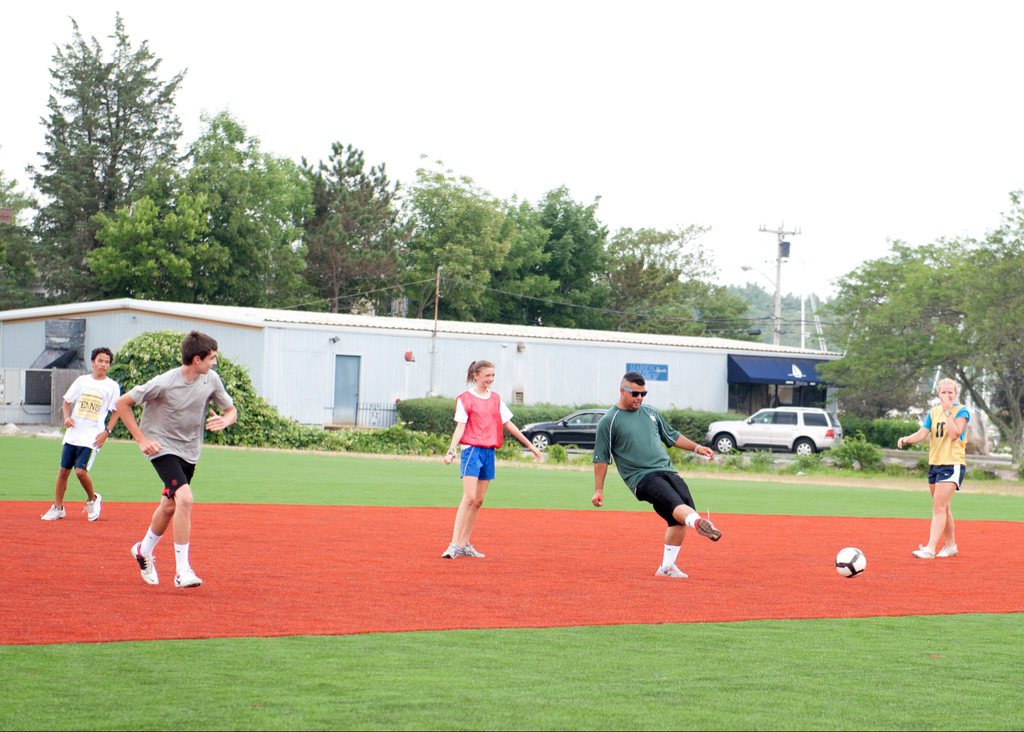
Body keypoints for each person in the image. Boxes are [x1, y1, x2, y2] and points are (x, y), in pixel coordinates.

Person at [115, 331, 236, 588]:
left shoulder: (211, 379)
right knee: (186, 498)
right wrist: (141, 439)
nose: (215, 362)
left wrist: (226, 420)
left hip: (189, 451)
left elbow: (230, 410)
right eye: (212, 358)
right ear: (196, 359)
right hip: (161, 447)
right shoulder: (164, 382)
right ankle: (182, 571)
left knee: (170, 506)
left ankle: (143, 550)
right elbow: (122, 403)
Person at [591, 371, 722, 578]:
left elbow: (671, 436)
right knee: (674, 502)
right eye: (635, 393)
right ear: (622, 391)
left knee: (680, 516)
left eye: (643, 393)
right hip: (641, 477)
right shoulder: (609, 421)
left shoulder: (651, 412)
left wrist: (697, 448)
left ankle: (667, 567)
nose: (639, 398)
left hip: (667, 470)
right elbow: (601, 459)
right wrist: (599, 490)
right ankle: (699, 524)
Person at [441, 359, 542, 558]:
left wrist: (530, 445)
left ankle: (463, 545)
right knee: (469, 498)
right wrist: (452, 449)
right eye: (487, 375)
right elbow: (460, 426)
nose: (491, 379)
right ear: (476, 376)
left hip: (489, 452)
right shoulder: (465, 399)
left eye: (493, 375)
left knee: (478, 500)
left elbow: (509, 424)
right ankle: (453, 544)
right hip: (472, 451)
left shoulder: (495, 399)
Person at [41, 347, 121, 522]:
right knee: (63, 471)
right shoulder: (82, 381)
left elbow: (116, 410)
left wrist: (107, 432)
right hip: (73, 434)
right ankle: (58, 508)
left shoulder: (112, 386)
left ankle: (93, 499)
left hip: (92, 437)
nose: (103, 364)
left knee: (80, 472)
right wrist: (66, 417)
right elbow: (67, 401)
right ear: (93, 362)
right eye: (100, 361)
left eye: (107, 362)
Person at [897, 377, 970, 559]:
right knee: (943, 507)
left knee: (938, 506)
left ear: (955, 394)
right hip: (935, 463)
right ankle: (951, 546)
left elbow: (954, 434)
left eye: (950, 392)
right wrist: (907, 439)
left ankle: (930, 549)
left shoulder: (961, 411)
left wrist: (948, 412)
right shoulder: (933, 412)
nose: (947, 395)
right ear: (938, 393)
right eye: (943, 392)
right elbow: (922, 433)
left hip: (952, 463)